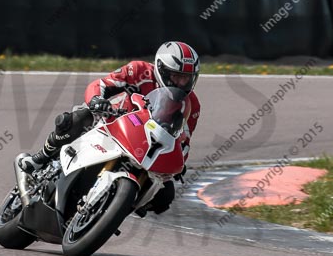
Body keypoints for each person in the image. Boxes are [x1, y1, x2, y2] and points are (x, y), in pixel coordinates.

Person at [20, 41, 201, 215]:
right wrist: (97, 100)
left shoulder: (191, 104)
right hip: (113, 120)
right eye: (177, 76)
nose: (181, 83)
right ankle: (41, 158)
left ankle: (114, 209)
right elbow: (102, 84)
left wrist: (180, 162)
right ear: (161, 69)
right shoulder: (139, 70)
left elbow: (183, 140)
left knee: (166, 195)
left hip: (146, 144)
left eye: (187, 78)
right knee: (77, 118)